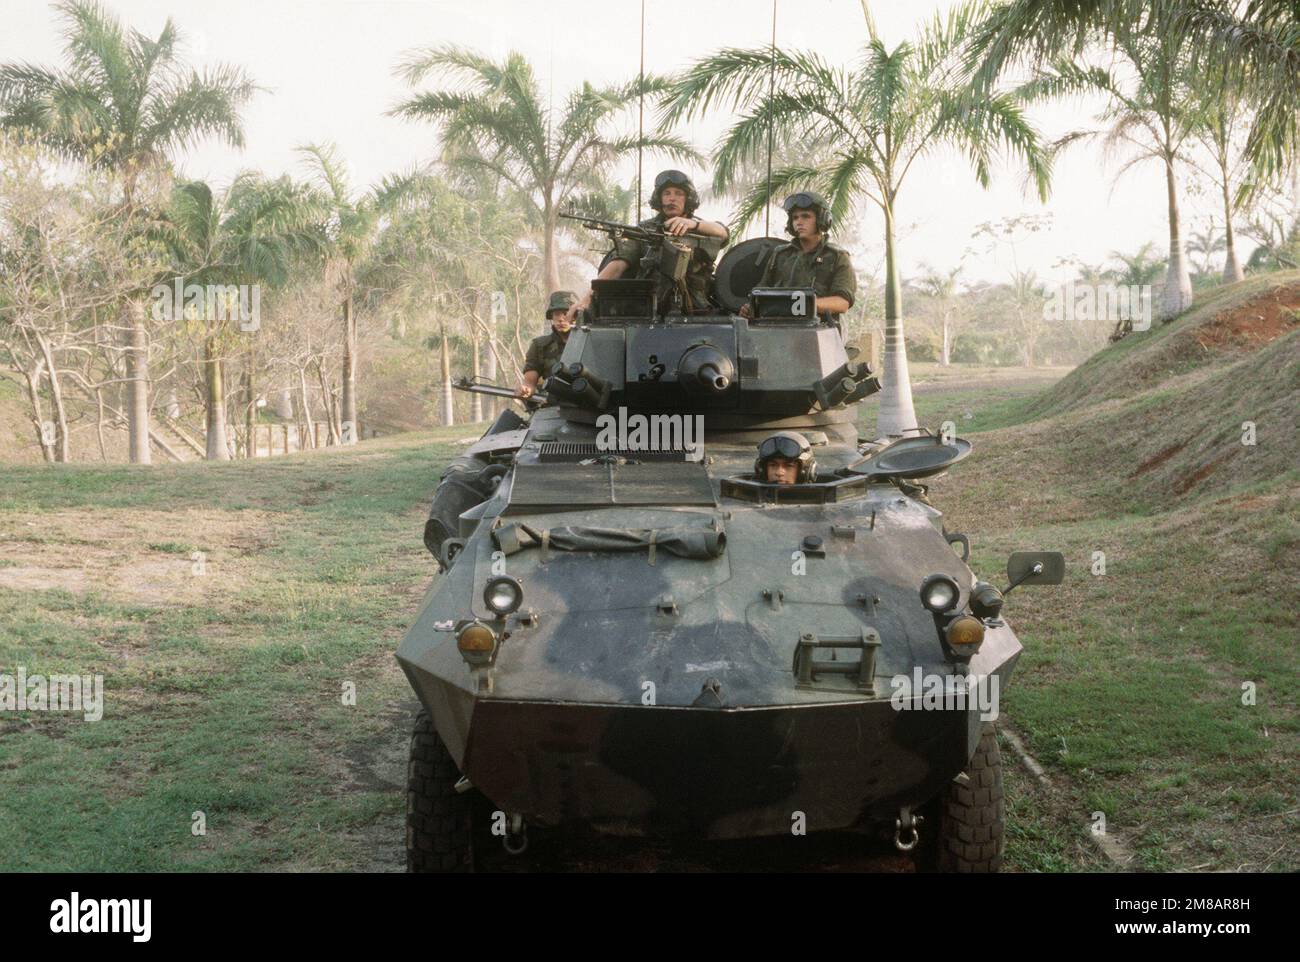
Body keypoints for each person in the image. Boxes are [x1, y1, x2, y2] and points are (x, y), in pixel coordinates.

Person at [567, 170, 729, 318]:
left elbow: (723, 232)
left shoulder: (701, 229)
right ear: (659, 199)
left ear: (688, 199)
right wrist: (587, 298)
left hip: (697, 310)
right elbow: (619, 264)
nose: (671, 198)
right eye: (666, 193)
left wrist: (693, 224)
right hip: (651, 310)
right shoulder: (644, 231)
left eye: (678, 193)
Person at [740, 191, 855, 321]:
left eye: (806, 216)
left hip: (819, 331)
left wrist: (804, 305)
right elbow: (761, 291)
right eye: (795, 218)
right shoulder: (780, 254)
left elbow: (842, 302)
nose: (799, 222)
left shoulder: (836, 256)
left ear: (822, 219)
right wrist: (751, 307)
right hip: (776, 328)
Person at [516, 290, 578, 399]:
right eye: (556, 314)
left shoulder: (589, 343)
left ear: (577, 316)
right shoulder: (540, 345)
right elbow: (530, 383)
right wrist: (526, 389)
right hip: (553, 406)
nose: (561, 318)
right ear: (551, 317)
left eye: (566, 313)